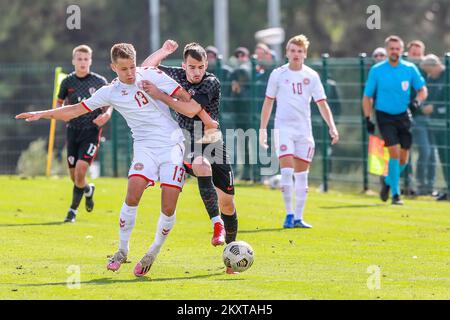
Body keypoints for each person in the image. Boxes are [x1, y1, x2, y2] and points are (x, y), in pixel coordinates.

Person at [16, 43, 218, 277]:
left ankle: (152, 252)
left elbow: (186, 98)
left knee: (168, 205)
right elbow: (73, 110)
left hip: (172, 144)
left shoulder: (151, 75)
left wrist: (207, 119)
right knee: (133, 193)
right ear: (114, 67)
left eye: (132, 66)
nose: (130, 73)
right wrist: (42, 114)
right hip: (144, 147)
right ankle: (122, 250)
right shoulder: (110, 92)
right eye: (124, 69)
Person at [141, 42, 240, 271]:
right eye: (192, 67)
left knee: (228, 202)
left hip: (213, 141)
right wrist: (164, 52)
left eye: (201, 67)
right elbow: (146, 68)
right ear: (183, 65)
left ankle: (231, 255)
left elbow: (190, 109)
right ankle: (216, 226)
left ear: (206, 65)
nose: (196, 72)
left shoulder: (210, 82)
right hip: (186, 140)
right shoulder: (176, 73)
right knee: (201, 165)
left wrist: (160, 95)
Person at [259, 34, 339, 229]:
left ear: (305, 54)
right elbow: (268, 102)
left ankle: (299, 217)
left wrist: (332, 126)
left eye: (300, 51)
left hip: (304, 130)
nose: (296, 54)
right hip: (283, 128)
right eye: (293, 50)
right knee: (286, 171)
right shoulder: (278, 74)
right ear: (287, 53)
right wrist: (263, 129)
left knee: (302, 176)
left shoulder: (311, 76)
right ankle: (288, 214)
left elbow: (322, 103)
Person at [363, 35, 428, 205]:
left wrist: (417, 102)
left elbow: (422, 90)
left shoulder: (410, 68)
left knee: (404, 159)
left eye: (397, 49)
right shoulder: (377, 70)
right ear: (386, 50)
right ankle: (396, 195)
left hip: (403, 115)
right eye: (391, 49)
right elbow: (367, 97)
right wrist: (368, 118)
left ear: (402, 50)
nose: (394, 52)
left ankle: (387, 180)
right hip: (384, 116)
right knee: (393, 152)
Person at [57, 45, 112, 223]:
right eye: (79, 59)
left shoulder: (99, 81)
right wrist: (61, 113)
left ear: (90, 60)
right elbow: (58, 103)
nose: (82, 62)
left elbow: (109, 104)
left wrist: (106, 115)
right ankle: (88, 190)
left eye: (85, 59)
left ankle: (72, 211)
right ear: (73, 61)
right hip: (73, 131)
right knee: (74, 177)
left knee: (81, 171)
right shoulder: (67, 82)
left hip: (91, 131)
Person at [420, 54, 449, 200]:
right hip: (437, 126)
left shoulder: (448, 75)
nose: (429, 74)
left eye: (429, 71)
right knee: (444, 158)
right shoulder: (430, 79)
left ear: (435, 65)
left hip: (447, 123)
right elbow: (428, 98)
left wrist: (435, 109)